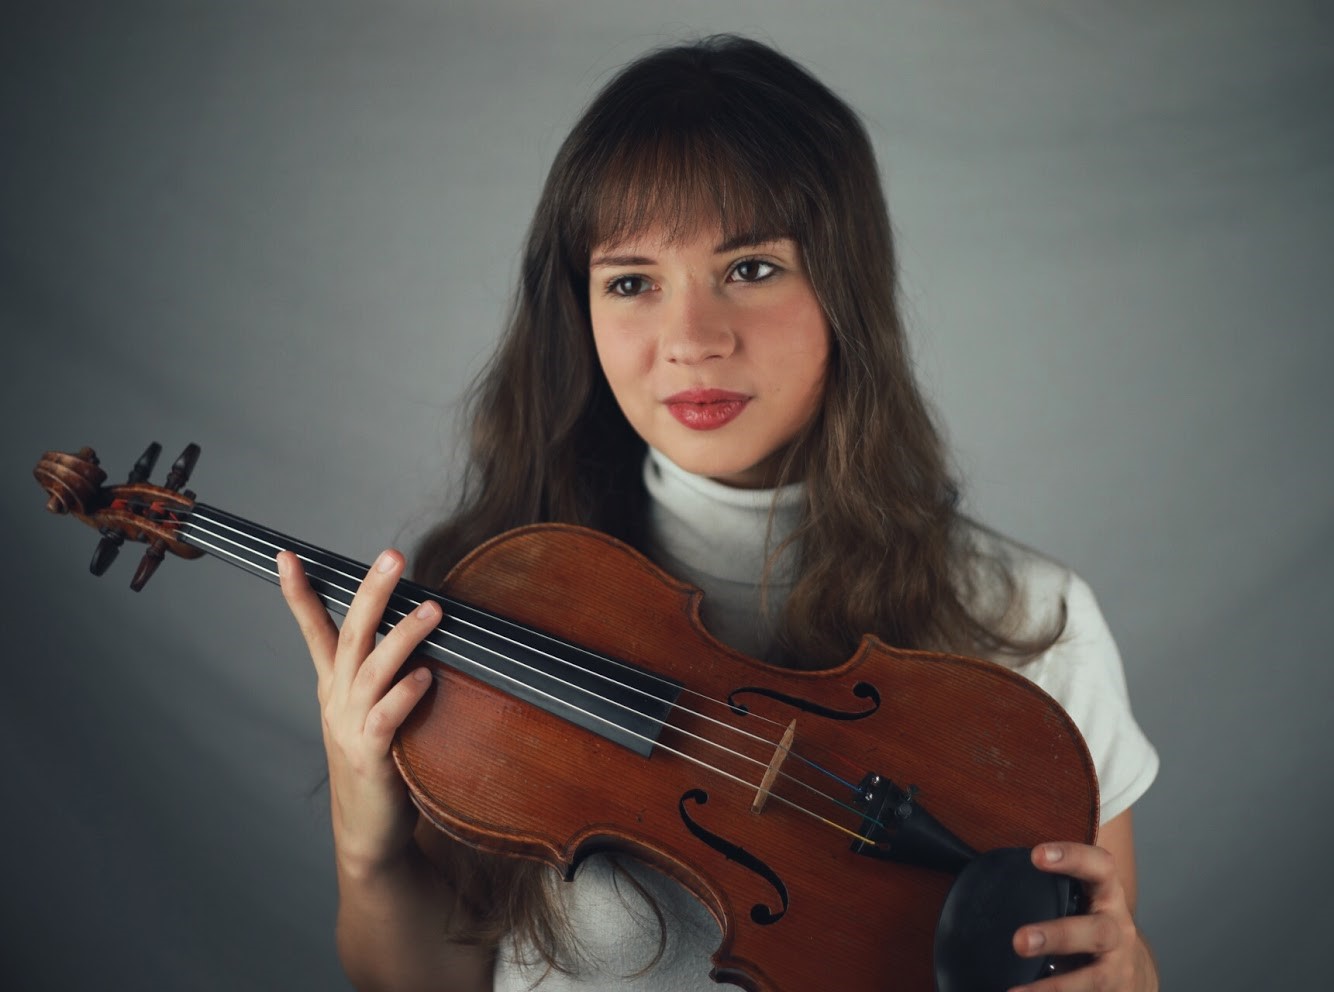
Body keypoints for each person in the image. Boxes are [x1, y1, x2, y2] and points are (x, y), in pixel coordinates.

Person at [277, 34, 1159, 992]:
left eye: (750, 269)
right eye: (631, 282)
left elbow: (1088, 964)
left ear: (845, 286)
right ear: (579, 311)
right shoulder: (507, 599)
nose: (691, 339)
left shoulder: (1032, 621)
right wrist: (367, 847)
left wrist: (1128, 978)